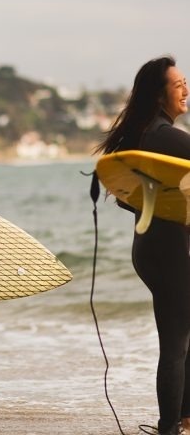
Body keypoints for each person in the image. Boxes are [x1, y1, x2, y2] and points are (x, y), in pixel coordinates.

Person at [96, 56, 190, 435]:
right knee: (175, 342)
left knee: (181, 337)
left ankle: (181, 420)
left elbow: (124, 196)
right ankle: (170, 426)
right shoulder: (167, 137)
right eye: (178, 84)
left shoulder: (143, 135)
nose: (186, 90)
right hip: (170, 253)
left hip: (151, 248)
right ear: (158, 95)